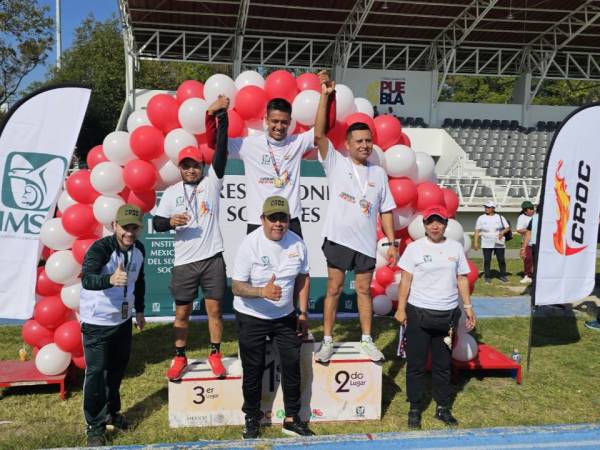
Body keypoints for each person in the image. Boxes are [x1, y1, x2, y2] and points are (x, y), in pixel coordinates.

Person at [313, 75, 398, 363]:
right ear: (348, 144)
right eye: (359, 141)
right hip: (338, 238)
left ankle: (366, 340)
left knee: (364, 290)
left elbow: (386, 209)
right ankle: (326, 341)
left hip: (365, 243)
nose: (364, 145)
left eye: (368, 141)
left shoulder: (378, 173)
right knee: (334, 289)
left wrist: (391, 241)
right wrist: (325, 96)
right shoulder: (336, 162)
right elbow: (319, 135)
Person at [152, 96, 230, 381]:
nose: (191, 170)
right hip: (185, 262)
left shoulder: (212, 182)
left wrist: (222, 115)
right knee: (182, 314)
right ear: (180, 168)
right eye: (186, 166)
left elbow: (221, 150)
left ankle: (215, 354)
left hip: (211, 258)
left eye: (195, 165)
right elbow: (157, 223)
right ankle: (180, 357)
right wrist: (170, 221)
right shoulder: (172, 192)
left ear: (202, 165)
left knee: (215, 311)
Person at [205, 71, 335, 237]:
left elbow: (324, 128)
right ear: (266, 119)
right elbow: (215, 144)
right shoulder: (249, 145)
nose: (279, 126)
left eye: (284, 122)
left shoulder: (297, 142)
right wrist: (210, 115)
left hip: (290, 220)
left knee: (295, 263)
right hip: (258, 221)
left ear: (290, 122)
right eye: (275, 121)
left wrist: (328, 96)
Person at [231, 196, 313, 438]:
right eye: (273, 218)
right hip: (251, 315)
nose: (278, 223)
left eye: (283, 218)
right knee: (253, 368)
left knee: (291, 364)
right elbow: (236, 286)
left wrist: (302, 312)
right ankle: (252, 419)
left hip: (285, 316)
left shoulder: (297, 244)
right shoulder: (250, 244)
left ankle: (292, 419)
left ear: (289, 220)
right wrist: (261, 292)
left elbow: (303, 277)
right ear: (263, 220)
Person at [394, 205, 476, 429]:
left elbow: (461, 279)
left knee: (443, 365)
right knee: (416, 365)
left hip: (447, 314)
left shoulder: (455, 248)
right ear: (424, 225)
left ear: (446, 224)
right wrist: (401, 309)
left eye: (439, 221)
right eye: (430, 221)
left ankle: (442, 408)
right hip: (418, 312)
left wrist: (468, 307)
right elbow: (406, 280)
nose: (435, 226)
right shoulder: (414, 248)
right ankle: (414, 408)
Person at [79, 204, 146, 447]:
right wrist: (110, 279)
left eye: (134, 228)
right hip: (97, 321)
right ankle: (94, 427)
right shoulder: (101, 248)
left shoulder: (139, 249)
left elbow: (140, 280)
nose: (129, 233)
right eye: (125, 227)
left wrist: (140, 310)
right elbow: (87, 278)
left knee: (117, 368)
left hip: (123, 319)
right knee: (97, 372)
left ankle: (111, 413)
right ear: (114, 226)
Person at [472, 201, 510, 283]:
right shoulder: (481, 218)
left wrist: (502, 232)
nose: (486, 208)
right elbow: (477, 231)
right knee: (487, 260)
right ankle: (487, 276)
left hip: (498, 241)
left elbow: (507, 227)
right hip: (486, 242)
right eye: (485, 207)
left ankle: (503, 275)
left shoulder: (500, 217)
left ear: (493, 208)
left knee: (501, 259)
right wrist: (475, 242)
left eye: (488, 207)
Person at [516, 201, 535, 284]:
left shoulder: (537, 216)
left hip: (537, 242)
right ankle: (527, 275)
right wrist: (530, 230)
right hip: (527, 242)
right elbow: (519, 229)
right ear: (525, 211)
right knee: (528, 259)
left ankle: (535, 275)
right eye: (530, 209)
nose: (532, 210)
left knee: (536, 260)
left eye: (532, 208)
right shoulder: (522, 218)